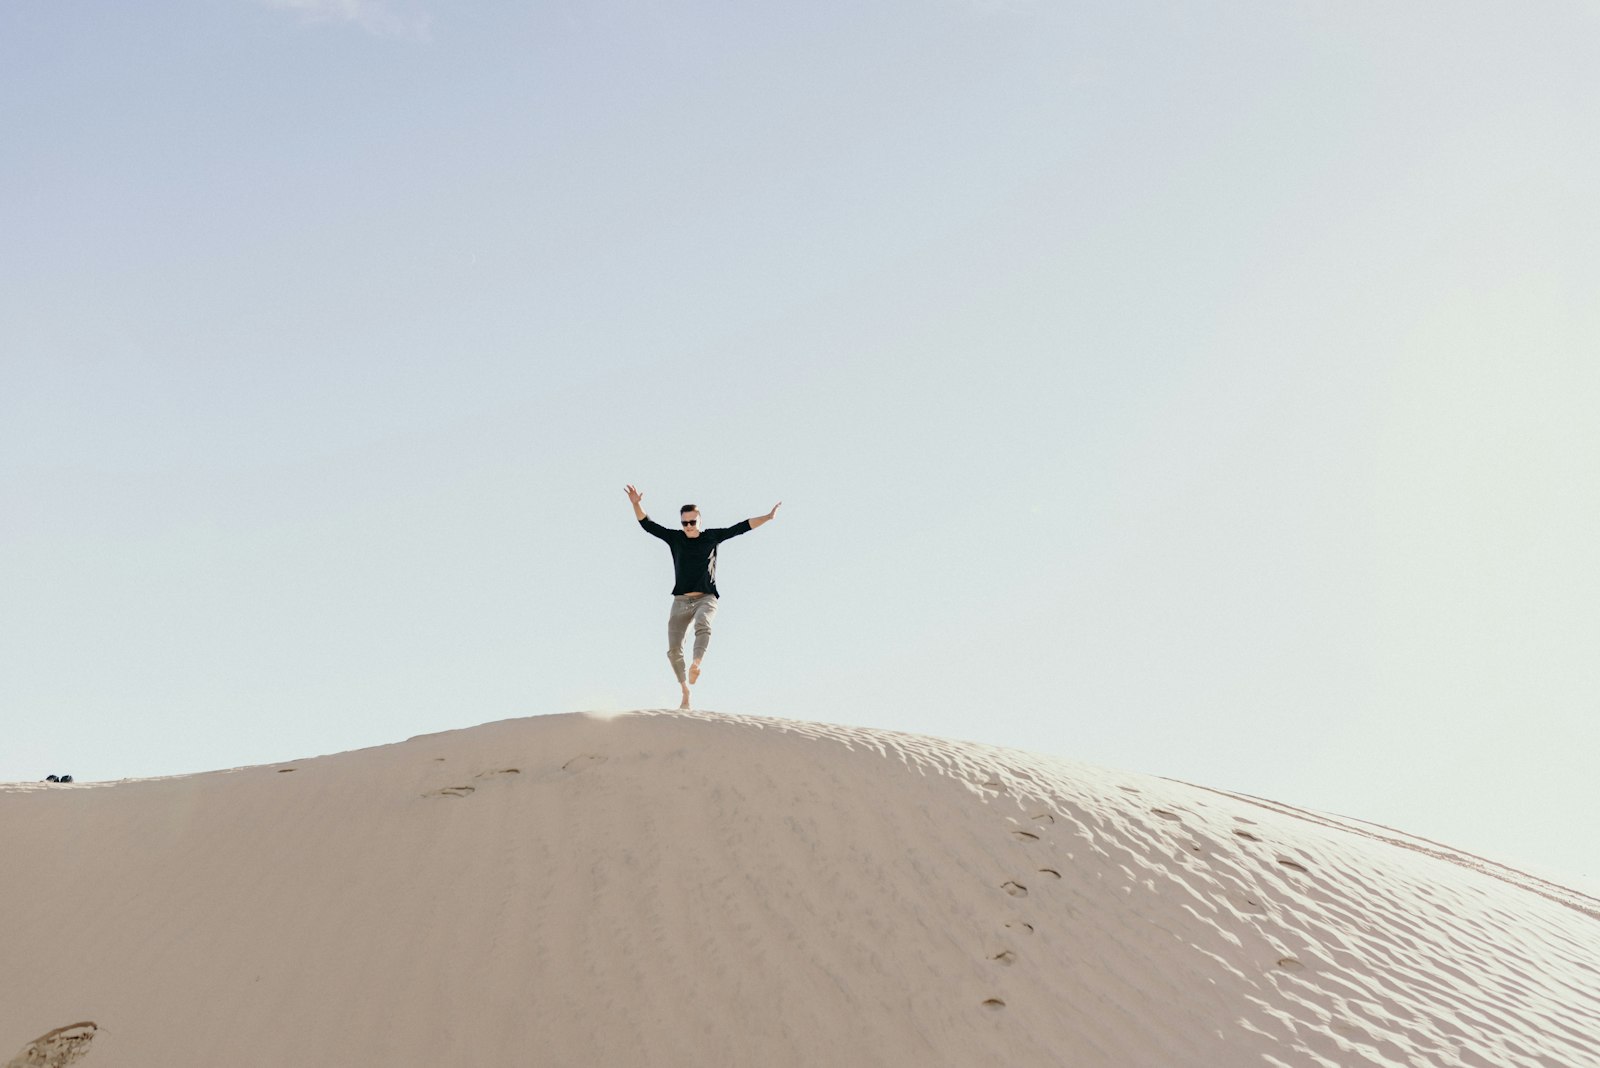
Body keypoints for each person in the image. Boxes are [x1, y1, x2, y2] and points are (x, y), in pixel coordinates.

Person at [626, 485, 780, 709]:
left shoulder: (711, 537)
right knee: (673, 650)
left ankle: (697, 664)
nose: (688, 526)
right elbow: (647, 525)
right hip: (680, 601)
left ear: (699, 520)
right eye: (684, 522)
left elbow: (742, 527)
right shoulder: (675, 538)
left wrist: (767, 516)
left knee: (703, 624)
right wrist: (636, 504)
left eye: (692, 522)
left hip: (706, 598)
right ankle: (685, 691)